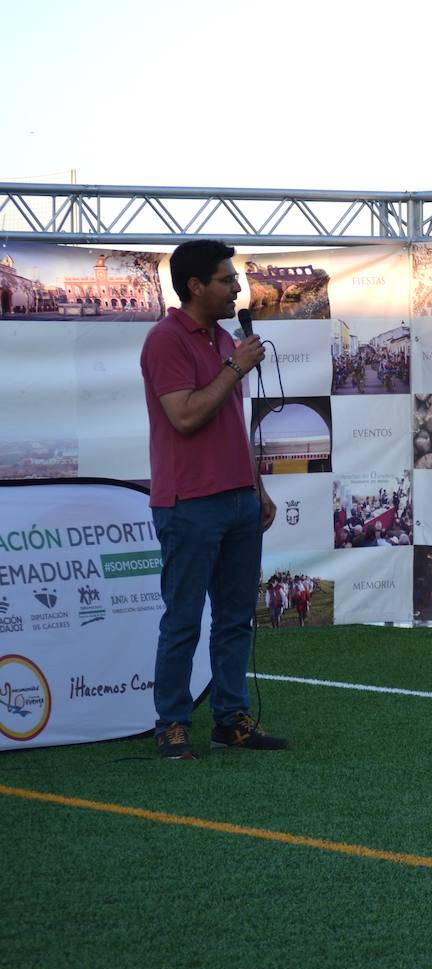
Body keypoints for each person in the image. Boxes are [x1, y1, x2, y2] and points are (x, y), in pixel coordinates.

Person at [141, 239, 289, 758]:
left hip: (238, 500)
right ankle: (172, 723)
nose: (237, 289)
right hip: (189, 504)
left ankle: (230, 719)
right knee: (182, 619)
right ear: (195, 286)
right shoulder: (166, 341)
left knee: (234, 619)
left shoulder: (226, 339)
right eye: (227, 280)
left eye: (236, 280)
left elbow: (233, 423)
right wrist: (235, 370)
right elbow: (185, 416)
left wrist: (259, 486)